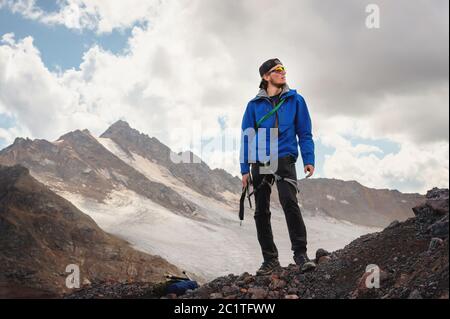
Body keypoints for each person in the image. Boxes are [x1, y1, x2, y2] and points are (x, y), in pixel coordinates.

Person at [240, 58, 315, 275]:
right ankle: (270, 260)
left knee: (290, 202)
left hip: (284, 156)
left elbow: (305, 132)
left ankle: (301, 255)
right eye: (277, 70)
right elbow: (246, 137)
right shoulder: (253, 105)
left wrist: (308, 158)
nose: (283, 73)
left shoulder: (296, 100)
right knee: (261, 210)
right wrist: (244, 169)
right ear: (265, 76)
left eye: (284, 69)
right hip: (261, 158)